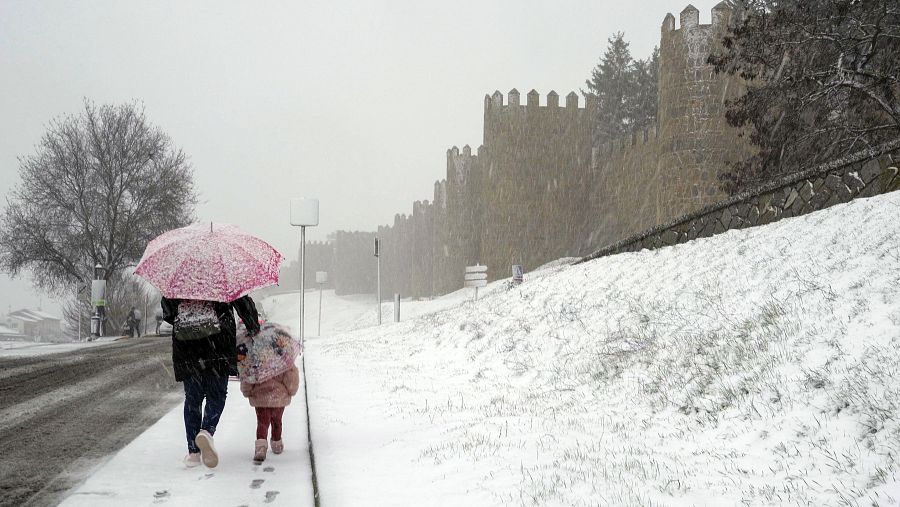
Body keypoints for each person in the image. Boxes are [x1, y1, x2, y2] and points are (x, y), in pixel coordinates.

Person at [161, 295, 260, 469]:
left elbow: (168, 313)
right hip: (219, 344)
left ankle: (193, 452)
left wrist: (191, 315)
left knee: (193, 399)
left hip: (187, 348)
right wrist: (253, 326)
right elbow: (243, 302)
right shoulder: (222, 274)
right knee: (217, 395)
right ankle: (207, 431)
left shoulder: (181, 278)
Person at [240, 351, 300, 463]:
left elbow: (248, 377)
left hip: (260, 396)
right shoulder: (284, 359)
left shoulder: (255, 357)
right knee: (277, 420)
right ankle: (277, 442)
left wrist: (247, 391)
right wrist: (291, 390)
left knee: (262, 422)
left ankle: (261, 447)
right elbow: (291, 380)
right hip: (279, 397)